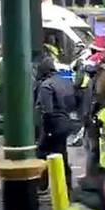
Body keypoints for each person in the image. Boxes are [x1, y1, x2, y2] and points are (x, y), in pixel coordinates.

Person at [35, 57, 76, 194]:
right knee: (61, 154)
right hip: (66, 122)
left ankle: (42, 186)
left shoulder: (46, 85)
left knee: (41, 153)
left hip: (54, 125)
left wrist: (47, 131)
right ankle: (67, 186)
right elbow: (73, 102)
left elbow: (47, 111)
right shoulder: (65, 82)